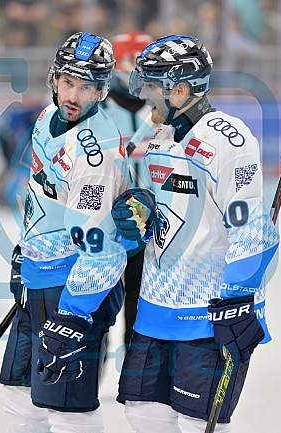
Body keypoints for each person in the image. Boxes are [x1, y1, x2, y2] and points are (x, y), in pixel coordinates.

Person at [111, 35, 280, 432]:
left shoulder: (227, 139)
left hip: (207, 314)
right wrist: (139, 214)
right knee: (142, 416)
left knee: (195, 423)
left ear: (181, 90)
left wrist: (238, 296)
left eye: (151, 85)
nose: (143, 94)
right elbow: (166, 217)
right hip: (154, 310)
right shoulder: (160, 138)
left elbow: (251, 227)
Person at [0, 32, 131, 433]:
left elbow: (99, 246)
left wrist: (74, 314)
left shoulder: (96, 152)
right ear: (54, 79)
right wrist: (25, 253)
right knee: (19, 395)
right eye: (69, 82)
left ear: (102, 90)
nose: (74, 95)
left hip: (75, 291)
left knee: (69, 409)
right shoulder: (44, 121)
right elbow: (41, 197)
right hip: (39, 278)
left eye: (87, 86)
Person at [102, 31, 155, 349]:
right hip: (105, 229)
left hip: (151, 232)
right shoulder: (95, 113)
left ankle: (138, 381)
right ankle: (87, 375)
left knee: (141, 308)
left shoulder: (165, 113)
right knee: (96, 308)